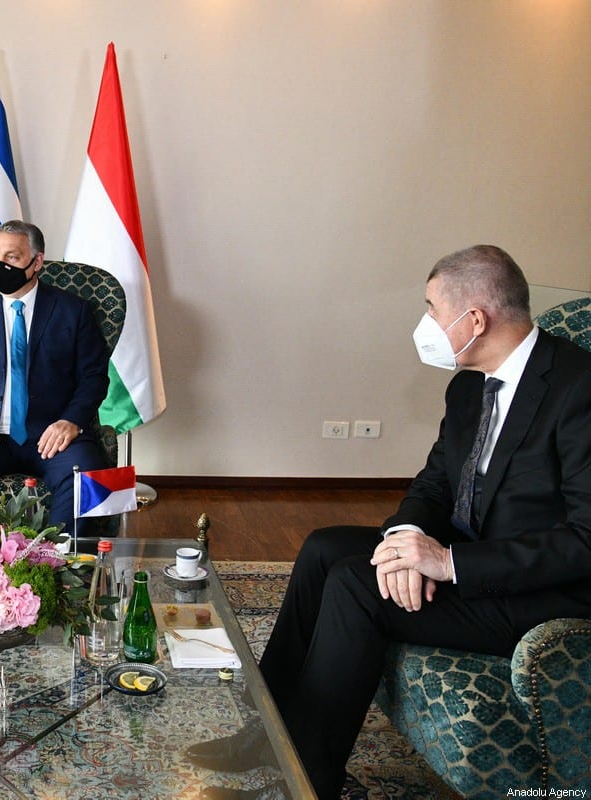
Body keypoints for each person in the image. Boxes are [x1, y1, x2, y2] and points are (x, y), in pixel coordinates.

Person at [236, 245, 591, 796]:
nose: (424, 323)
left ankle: (307, 781)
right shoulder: (469, 385)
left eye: (431, 308)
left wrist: (449, 563)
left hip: (538, 590)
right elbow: (434, 483)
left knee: (357, 584)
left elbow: (586, 542)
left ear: (475, 320)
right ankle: (266, 730)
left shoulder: (579, 388)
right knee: (325, 547)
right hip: (470, 546)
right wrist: (407, 538)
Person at [0, 220, 110, 529]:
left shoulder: (73, 311)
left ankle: (65, 565)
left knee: (86, 473)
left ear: (36, 261)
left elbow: (94, 376)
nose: (0, 265)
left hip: (51, 435)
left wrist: (71, 421)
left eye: (12, 258)